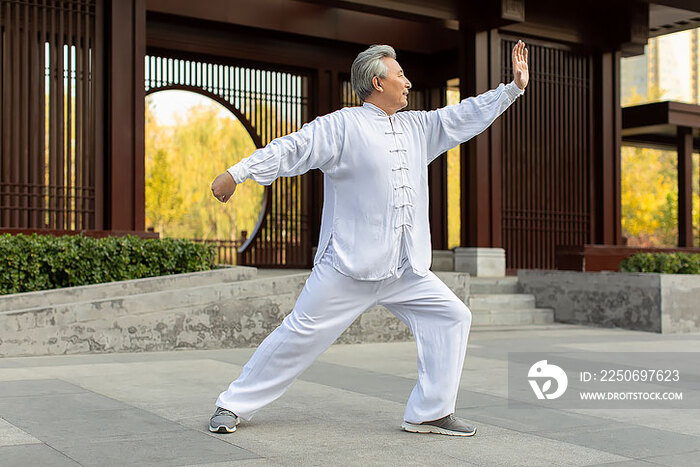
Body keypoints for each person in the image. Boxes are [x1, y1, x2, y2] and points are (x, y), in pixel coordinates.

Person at [209, 41, 529, 436]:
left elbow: (464, 116)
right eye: (400, 76)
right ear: (378, 82)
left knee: (452, 316)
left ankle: (429, 411)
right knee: (299, 334)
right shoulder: (341, 125)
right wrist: (238, 173)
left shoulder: (419, 127)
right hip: (348, 265)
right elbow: (292, 148)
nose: (408, 82)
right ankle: (232, 404)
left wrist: (511, 89)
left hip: (405, 267)